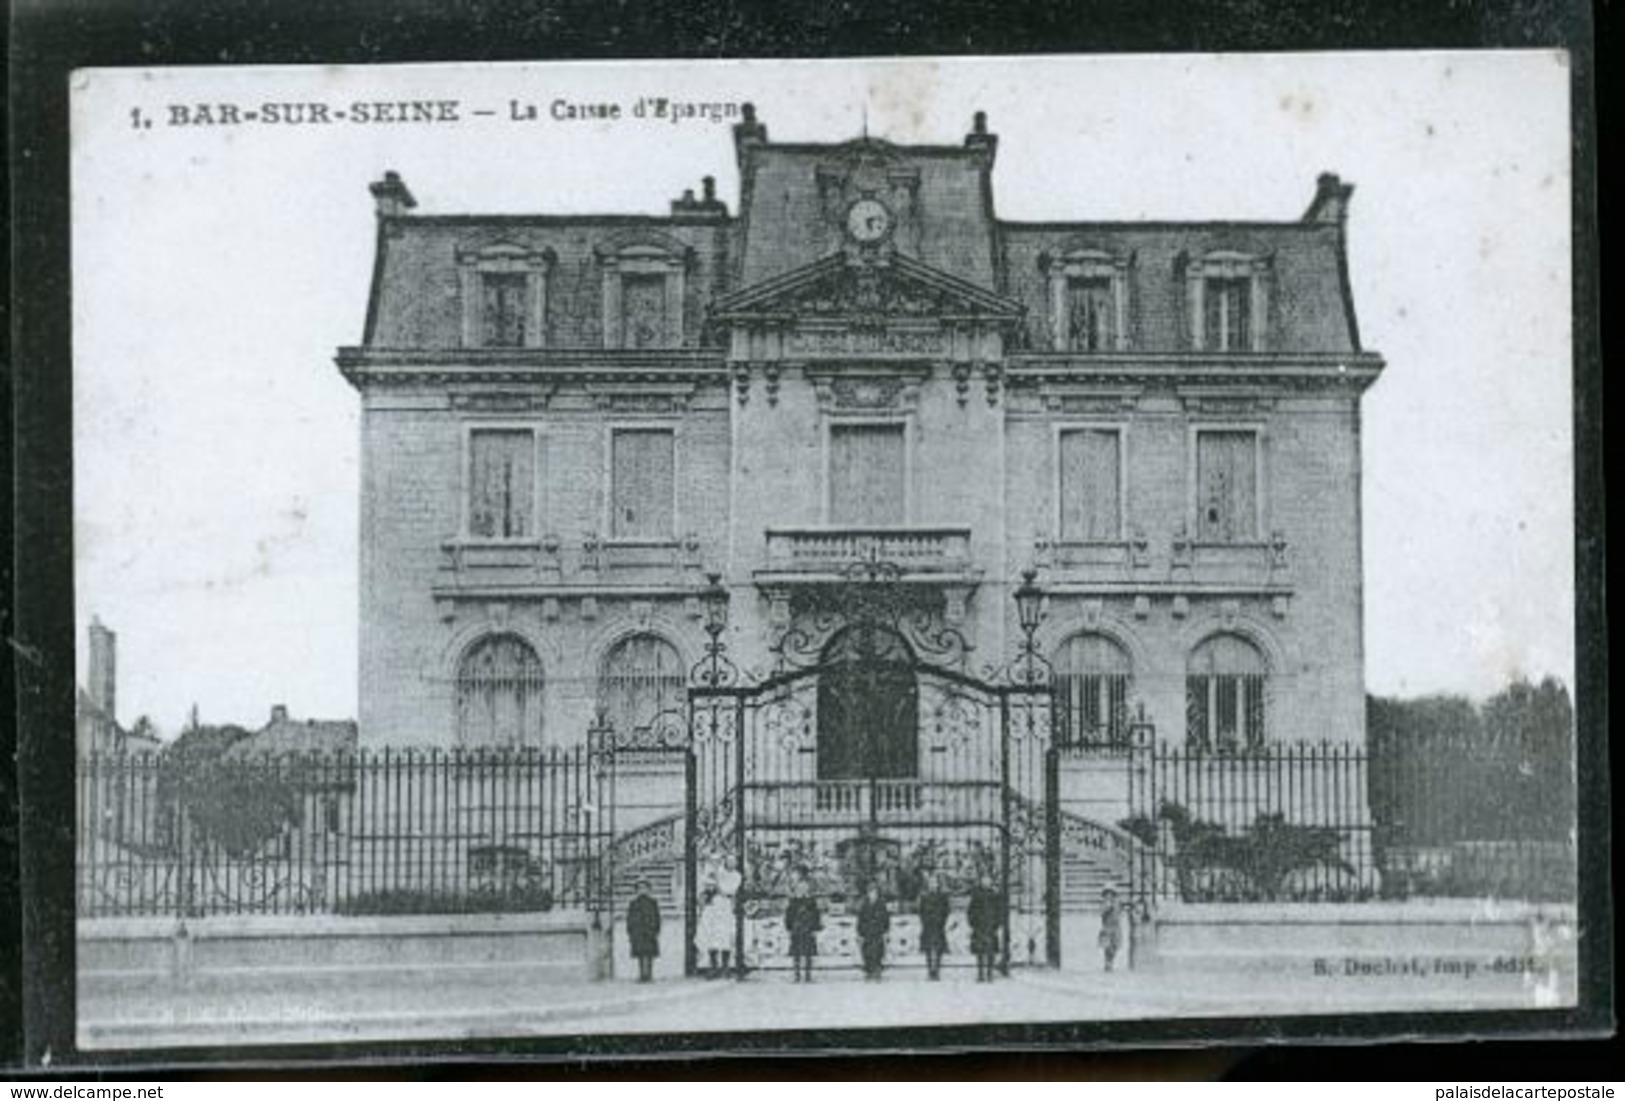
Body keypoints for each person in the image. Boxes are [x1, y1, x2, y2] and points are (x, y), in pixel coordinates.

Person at [783, 876, 823, 983]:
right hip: (796, 930)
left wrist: (815, 929)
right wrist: (789, 928)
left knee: (808, 954)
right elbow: (788, 916)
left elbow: (816, 916)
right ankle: (797, 975)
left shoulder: (812, 901)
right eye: (800, 888)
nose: (802, 890)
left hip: (808, 929)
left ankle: (808, 975)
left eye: (805, 888)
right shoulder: (793, 902)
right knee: (796, 954)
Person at [967, 875, 1002, 982]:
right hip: (979, 926)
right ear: (981, 882)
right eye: (984, 881)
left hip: (991, 926)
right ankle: (980, 973)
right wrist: (973, 923)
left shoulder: (995, 895)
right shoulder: (976, 895)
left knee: (990, 951)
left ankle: (990, 973)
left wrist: (997, 924)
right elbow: (971, 911)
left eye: (988, 881)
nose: (986, 883)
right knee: (980, 951)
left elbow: (1000, 910)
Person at [695, 883, 735, 978]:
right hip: (718, 926)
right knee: (718, 946)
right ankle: (720, 967)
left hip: (719, 926)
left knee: (719, 946)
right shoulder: (717, 902)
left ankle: (718, 967)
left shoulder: (721, 902)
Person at [625, 878, 661, 983]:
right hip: (638, 932)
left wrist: (656, 929)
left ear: (649, 890)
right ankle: (642, 974)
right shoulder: (633, 903)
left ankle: (649, 974)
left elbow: (657, 917)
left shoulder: (653, 902)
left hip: (650, 931)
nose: (642, 890)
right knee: (640, 954)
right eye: (640, 888)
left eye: (645, 888)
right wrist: (630, 930)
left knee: (649, 954)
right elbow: (630, 918)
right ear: (636, 890)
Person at [916, 873, 950, 981]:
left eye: (934, 882)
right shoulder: (924, 897)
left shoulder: (942, 896)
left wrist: (942, 921)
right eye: (931, 882)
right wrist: (925, 921)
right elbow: (921, 911)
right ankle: (930, 970)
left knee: (938, 949)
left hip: (938, 925)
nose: (933, 885)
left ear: (938, 884)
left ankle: (937, 970)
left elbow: (946, 910)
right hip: (928, 925)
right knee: (928, 949)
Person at [855, 882, 891, 981]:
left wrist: (886, 931)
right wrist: (859, 933)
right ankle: (869, 971)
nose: (873, 894)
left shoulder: (881, 905)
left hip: (878, 932)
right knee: (867, 952)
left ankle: (877, 970)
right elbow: (860, 919)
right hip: (867, 932)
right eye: (871, 892)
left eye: (874, 892)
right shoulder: (864, 905)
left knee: (878, 951)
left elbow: (886, 919)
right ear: (868, 893)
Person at [1098, 887, 1124, 973]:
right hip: (1107, 927)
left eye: (1111, 894)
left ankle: (1110, 961)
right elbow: (1101, 913)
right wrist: (1107, 908)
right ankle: (1107, 963)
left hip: (1116, 928)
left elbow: (1119, 912)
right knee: (1107, 947)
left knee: (1114, 946)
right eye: (1107, 894)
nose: (1109, 896)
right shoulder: (1104, 903)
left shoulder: (1117, 902)